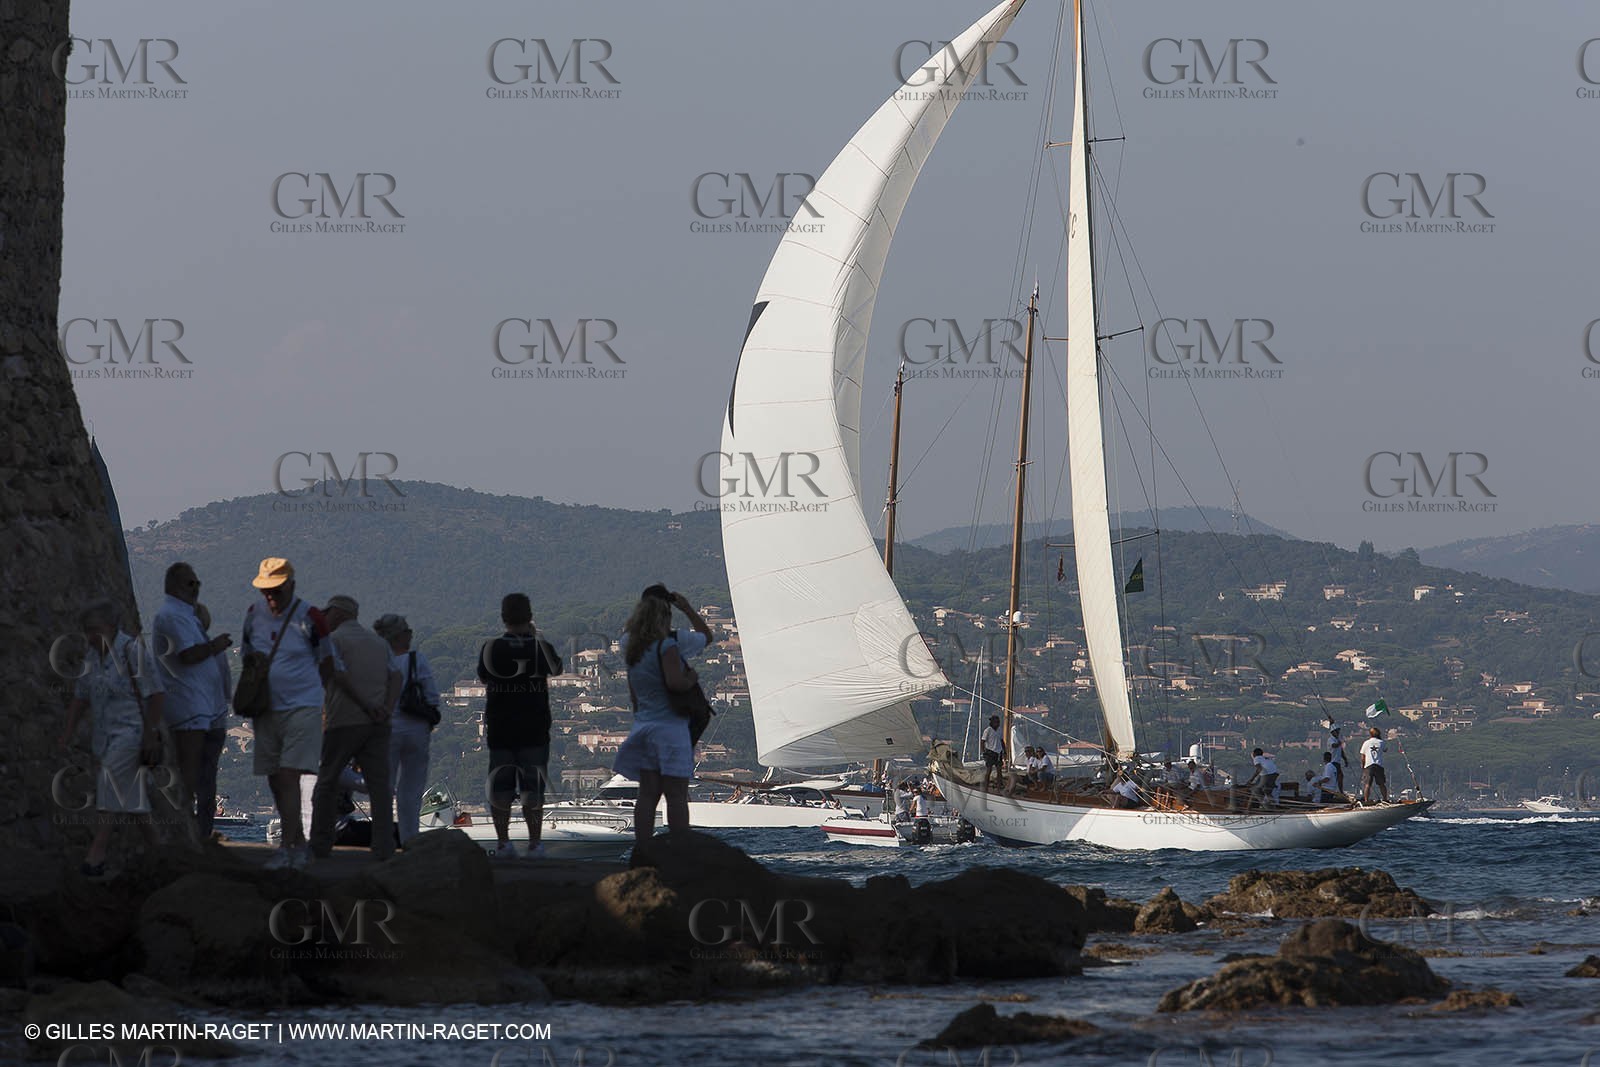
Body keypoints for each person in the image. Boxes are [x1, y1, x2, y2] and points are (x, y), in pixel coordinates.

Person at [58, 600, 166, 878]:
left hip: (132, 734)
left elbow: (155, 694)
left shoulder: (132, 651)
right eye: (87, 630)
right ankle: (161, 850)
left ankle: (97, 854)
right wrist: (68, 733)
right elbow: (81, 697)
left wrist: (151, 734)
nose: (90, 636)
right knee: (132, 800)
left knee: (110, 782)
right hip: (105, 737)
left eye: (95, 630)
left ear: (111, 627)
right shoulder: (92, 658)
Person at [242, 558, 332, 869]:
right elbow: (248, 657)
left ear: (291, 585)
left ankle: (288, 847)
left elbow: (328, 663)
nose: (270, 596)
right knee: (275, 777)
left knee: (289, 774)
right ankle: (299, 842)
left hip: (303, 706)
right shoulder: (253, 616)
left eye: (276, 590)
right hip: (267, 708)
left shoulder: (311, 617)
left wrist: (321, 705)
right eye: (266, 590)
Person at [615, 584, 712, 846]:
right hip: (670, 727)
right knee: (676, 793)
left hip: (644, 726)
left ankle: (643, 847)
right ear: (665, 616)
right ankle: (680, 849)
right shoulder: (668, 645)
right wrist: (692, 677)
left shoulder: (630, 645)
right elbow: (676, 683)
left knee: (647, 794)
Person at [309, 595, 398, 862]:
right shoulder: (380, 643)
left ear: (337, 613)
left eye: (327, 612)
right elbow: (396, 676)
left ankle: (320, 844)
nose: (323, 617)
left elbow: (336, 675)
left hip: (344, 721)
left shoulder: (334, 641)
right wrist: (385, 708)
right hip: (379, 723)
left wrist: (364, 704)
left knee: (326, 783)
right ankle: (384, 846)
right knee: (379, 786)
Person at [479, 593, 564, 859]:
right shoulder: (542, 647)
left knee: (501, 788)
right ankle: (535, 844)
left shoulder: (491, 648)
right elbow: (558, 669)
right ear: (529, 616)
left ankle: (504, 843)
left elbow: (483, 677)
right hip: (534, 729)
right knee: (533, 789)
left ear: (504, 618)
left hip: (501, 728)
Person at [151, 563, 231, 843]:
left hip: (201, 710)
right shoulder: (173, 616)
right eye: (189, 584)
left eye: (197, 583)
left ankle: (192, 834)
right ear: (173, 586)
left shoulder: (185, 616)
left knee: (196, 777)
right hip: (187, 709)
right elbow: (187, 656)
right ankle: (184, 835)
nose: (196, 588)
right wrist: (215, 646)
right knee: (188, 775)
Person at [374, 614, 439, 847]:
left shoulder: (376, 661)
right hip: (417, 729)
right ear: (400, 636)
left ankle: (382, 838)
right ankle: (409, 838)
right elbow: (432, 695)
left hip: (386, 729)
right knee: (411, 789)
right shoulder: (416, 659)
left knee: (384, 786)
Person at [191, 601, 232, 840]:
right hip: (215, 723)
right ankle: (204, 832)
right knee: (208, 781)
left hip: (187, 724)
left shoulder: (173, 650)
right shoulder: (218, 653)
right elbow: (227, 691)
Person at [1360, 727, 1390, 804]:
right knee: (1381, 784)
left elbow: (1363, 756)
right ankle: (1385, 799)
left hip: (1368, 765)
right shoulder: (1381, 742)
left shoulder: (1366, 743)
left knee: (1367, 784)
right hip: (1378, 765)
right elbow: (1385, 750)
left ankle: (1366, 800)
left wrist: (1363, 766)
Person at [980, 715, 1006, 789]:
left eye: (998, 722)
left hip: (998, 752)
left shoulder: (1000, 730)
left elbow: (1001, 741)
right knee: (989, 770)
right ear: (992, 722)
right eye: (996, 722)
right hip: (990, 752)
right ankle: (986, 787)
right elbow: (982, 741)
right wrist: (983, 752)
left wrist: (1004, 751)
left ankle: (998, 787)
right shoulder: (988, 730)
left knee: (999, 771)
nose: (997, 724)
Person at [1326, 721, 1348, 794]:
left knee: (1340, 776)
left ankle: (1340, 791)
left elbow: (1341, 751)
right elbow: (1334, 745)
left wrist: (1345, 759)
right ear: (1332, 732)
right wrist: (1339, 743)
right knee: (1337, 776)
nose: (1338, 733)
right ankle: (1338, 791)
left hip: (1337, 761)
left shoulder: (1337, 739)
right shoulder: (1330, 739)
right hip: (1333, 761)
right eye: (1336, 731)